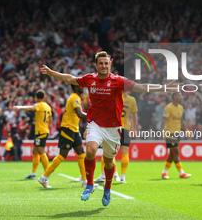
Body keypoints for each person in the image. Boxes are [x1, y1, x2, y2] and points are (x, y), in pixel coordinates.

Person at [40, 51, 180, 206]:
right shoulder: (90, 79)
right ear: (96, 65)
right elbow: (70, 79)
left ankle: (107, 188)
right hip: (96, 124)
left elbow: (141, 87)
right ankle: (89, 185)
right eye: (101, 63)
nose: (104, 66)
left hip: (113, 128)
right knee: (91, 150)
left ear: (110, 64)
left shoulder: (118, 81)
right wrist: (52, 73)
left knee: (108, 162)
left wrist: (164, 87)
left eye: (106, 63)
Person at [38, 85, 88, 188]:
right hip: (68, 128)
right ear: (77, 87)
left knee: (81, 152)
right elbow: (80, 114)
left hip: (74, 129)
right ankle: (44, 177)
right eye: (81, 86)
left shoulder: (76, 97)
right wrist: (94, 115)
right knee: (62, 155)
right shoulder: (75, 97)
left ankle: (85, 180)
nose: (83, 88)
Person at [95, 92, 138, 184]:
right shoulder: (132, 99)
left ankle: (103, 175)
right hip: (126, 128)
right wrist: (134, 127)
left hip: (114, 127)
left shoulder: (113, 97)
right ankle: (122, 177)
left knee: (107, 151)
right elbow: (134, 115)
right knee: (125, 153)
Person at [13, 90, 52, 179]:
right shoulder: (48, 107)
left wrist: (19, 107)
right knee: (35, 151)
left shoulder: (39, 105)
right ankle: (33, 173)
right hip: (43, 130)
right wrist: (47, 127)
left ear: (36, 97)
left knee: (41, 152)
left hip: (40, 132)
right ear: (44, 97)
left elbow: (31, 108)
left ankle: (47, 173)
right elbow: (50, 119)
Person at [161, 92, 191, 179]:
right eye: (180, 95)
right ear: (174, 97)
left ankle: (164, 172)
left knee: (172, 154)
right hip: (169, 133)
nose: (182, 97)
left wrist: (187, 131)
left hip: (177, 133)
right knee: (176, 152)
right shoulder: (169, 107)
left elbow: (182, 121)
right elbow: (164, 119)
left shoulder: (181, 108)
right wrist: (162, 131)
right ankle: (181, 172)